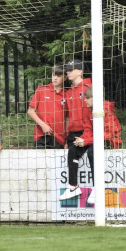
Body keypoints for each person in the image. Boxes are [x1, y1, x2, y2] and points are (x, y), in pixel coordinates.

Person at [60, 59, 94, 204]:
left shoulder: (89, 87)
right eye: (67, 70)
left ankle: (96, 187)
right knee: (72, 153)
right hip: (73, 133)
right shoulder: (68, 92)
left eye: (71, 69)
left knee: (92, 154)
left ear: (79, 71)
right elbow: (67, 117)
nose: (68, 72)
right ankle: (73, 186)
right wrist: (66, 137)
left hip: (88, 130)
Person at [27, 64, 67, 149]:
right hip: (41, 135)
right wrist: (43, 125)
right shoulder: (41, 90)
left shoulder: (67, 94)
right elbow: (30, 111)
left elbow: (68, 118)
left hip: (59, 138)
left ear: (65, 78)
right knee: (39, 161)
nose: (55, 78)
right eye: (53, 75)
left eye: (59, 76)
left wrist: (67, 140)